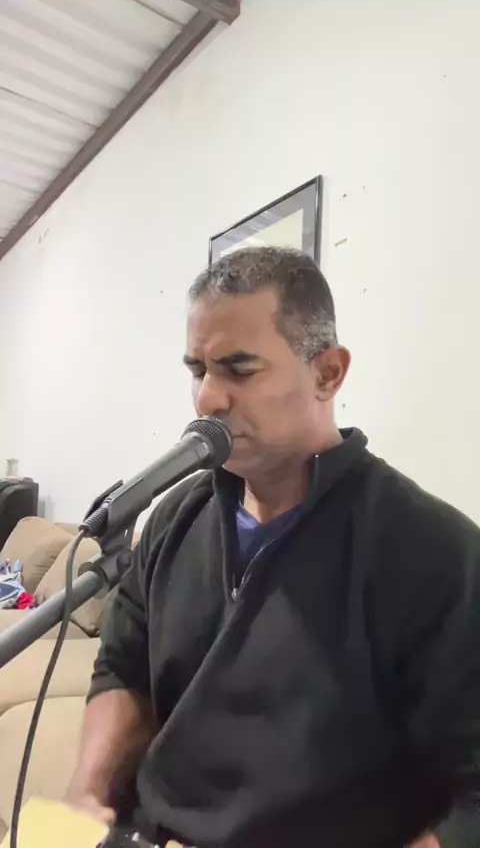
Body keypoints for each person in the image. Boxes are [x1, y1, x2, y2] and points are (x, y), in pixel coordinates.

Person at [66, 247, 480, 848]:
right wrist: (85, 793)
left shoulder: (434, 551)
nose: (208, 399)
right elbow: (123, 666)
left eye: (239, 370)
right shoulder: (172, 520)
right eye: (198, 370)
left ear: (328, 373)